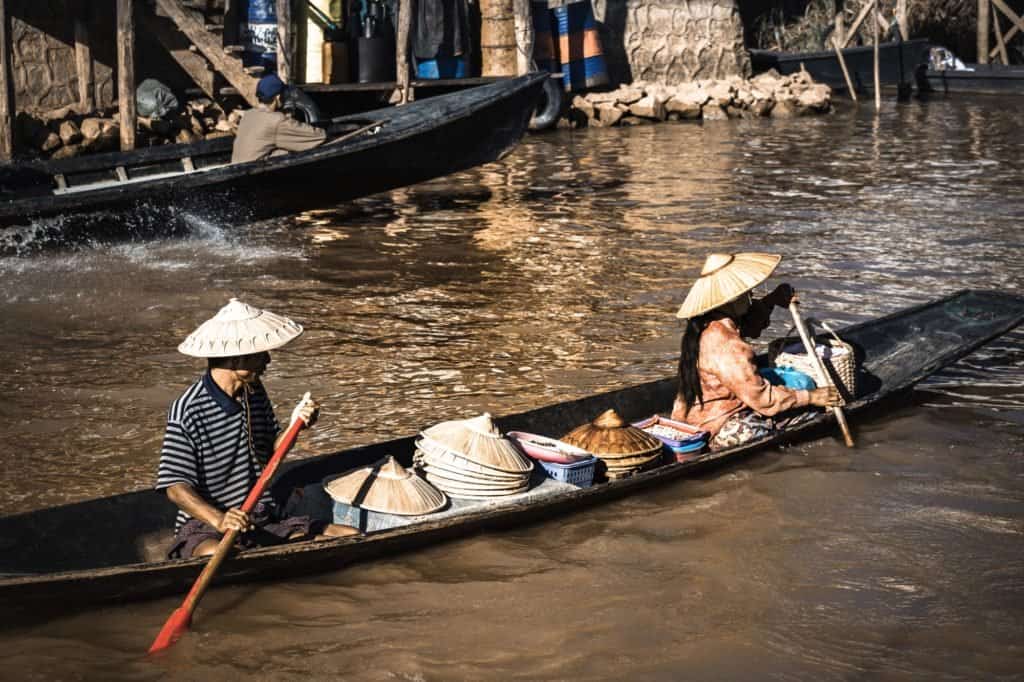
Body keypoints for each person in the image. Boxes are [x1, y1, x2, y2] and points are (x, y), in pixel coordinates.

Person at [157, 298, 358, 559]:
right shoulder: (188, 410)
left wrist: (297, 424)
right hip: (208, 524)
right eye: (260, 353)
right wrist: (220, 520)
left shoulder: (253, 392)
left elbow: (271, 452)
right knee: (217, 553)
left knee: (349, 535)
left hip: (259, 516)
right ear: (234, 358)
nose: (268, 360)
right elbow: (175, 486)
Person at [671, 252, 841, 451]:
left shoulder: (710, 323)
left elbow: (750, 325)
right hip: (716, 425)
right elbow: (762, 399)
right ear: (731, 300)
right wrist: (811, 397)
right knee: (813, 414)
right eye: (746, 293)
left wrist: (773, 300)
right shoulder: (726, 343)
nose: (751, 295)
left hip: (691, 414)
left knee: (779, 386)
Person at [231, 74, 326, 164]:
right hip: (255, 176)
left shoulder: (248, 115)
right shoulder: (277, 121)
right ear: (278, 97)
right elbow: (318, 137)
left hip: (238, 171)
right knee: (287, 151)